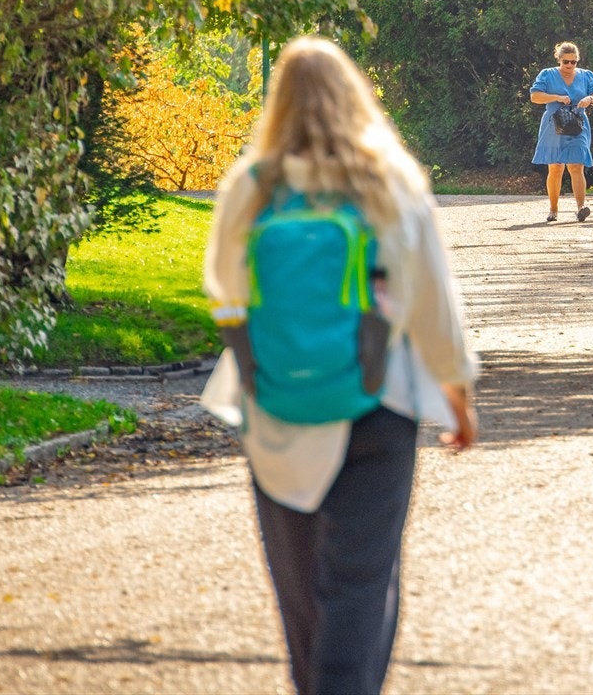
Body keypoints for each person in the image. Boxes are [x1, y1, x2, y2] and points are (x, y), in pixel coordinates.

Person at [203, 36, 478, 695]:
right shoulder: (387, 179)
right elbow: (433, 298)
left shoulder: (252, 185)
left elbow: (222, 284)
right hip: (377, 401)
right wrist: (457, 394)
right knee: (360, 581)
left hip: (274, 406)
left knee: (299, 591)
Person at [529, 41, 593, 222]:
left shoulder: (586, 76)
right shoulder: (547, 74)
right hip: (554, 123)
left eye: (573, 62)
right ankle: (553, 210)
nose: (569, 65)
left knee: (577, 165)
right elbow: (535, 96)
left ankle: (580, 208)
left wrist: (590, 98)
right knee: (555, 168)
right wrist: (556, 97)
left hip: (578, 123)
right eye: (566, 62)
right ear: (559, 60)